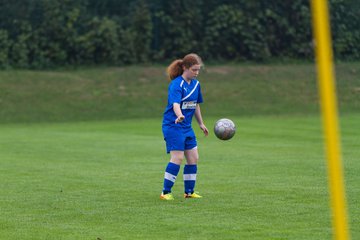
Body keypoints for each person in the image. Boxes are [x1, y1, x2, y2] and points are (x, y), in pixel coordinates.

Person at [160, 53, 209, 201]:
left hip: (187, 127)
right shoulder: (176, 84)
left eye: (198, 70)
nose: (196, 72)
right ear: (184, 68)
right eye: (194, 70)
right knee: (177, 158)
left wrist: (200, 123)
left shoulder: (196, 84)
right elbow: (175, 103)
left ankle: (189, 192)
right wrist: (179, 115)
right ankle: (165, 192)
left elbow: (196, 105)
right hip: (173, 125)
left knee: (193, 158)